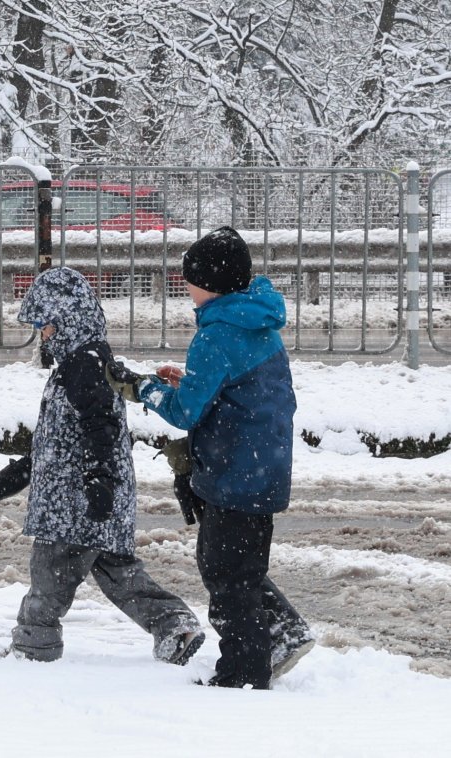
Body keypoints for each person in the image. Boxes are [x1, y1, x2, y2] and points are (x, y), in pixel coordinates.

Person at [106, 226, 315, 689]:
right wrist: (190, 382)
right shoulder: (257, 321)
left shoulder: (216, 335)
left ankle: (243, 674)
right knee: (241, 567)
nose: (187, 289)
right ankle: (285, 632)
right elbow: (244, 393)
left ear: (210, 283)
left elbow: (185, 413)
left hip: (232, 473)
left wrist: (144, 389)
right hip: (263, 467)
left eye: (190, 282)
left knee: (226, 576)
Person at [0, 266, 205, 666]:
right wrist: (23, 472)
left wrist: (99, 480)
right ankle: (174, 626)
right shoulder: (88, 361)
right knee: (118, 573)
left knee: (50, 574)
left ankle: (33, 646)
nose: (42, 334)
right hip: (90, 496)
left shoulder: (82, 367)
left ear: (67, 322)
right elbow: (65, 438)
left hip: (76, 501)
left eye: (45, 325)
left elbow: (101, 428)